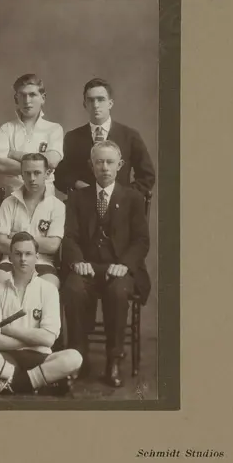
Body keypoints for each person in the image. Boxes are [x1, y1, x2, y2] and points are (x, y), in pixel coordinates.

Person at [61, 140, 151, 386]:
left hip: (118, 267)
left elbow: (141, 240)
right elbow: (69, 236)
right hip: (88, 267)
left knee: (119, 291)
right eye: (99, 162)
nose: (104, 167)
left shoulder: (133, 198)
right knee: (73, 288)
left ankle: (114, 359)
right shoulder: (78, 198)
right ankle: (77, 356)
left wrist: (125, 264)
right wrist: (78, 261)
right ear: (91, 166)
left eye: (110, 162)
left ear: (120, 165)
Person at [0, 232, 80, 395]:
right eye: (18, 254)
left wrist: (9, 329)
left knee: (74, 358)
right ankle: (36, 383)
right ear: (10, 257)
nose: (23, 259)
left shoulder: (49, 290)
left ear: (37, 257)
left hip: (40, 358)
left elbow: (48, 339)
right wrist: (32, 341)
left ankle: (11, 383)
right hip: (5, 358)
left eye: (28, 254)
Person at [54, 78, 156, 196]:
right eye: (91, 100)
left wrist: (124, 195)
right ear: (85, 104)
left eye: (101, 99)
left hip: (120, 208)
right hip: (83, 206)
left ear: (110, 103)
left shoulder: (129, 136)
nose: (96, 105)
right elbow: (61, 175)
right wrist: (78, 185)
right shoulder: (73, 138)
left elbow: (147, 176)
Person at [0, 153, 65, 290]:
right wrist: (38, 242)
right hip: (10, 261)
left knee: (50, 286)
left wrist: (16, 238)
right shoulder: (9, 203)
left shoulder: (57, 206)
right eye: (27, 173)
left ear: (47, 173)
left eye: (37, 173)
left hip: (42, 262)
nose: (32, 179)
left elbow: (52, 245)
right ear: (21, 175)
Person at [0, 74, 64, 197]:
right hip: (13, 196)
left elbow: (52, 161)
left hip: (45, 197)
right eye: (22, 95)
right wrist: (39, 167)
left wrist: (15, 154)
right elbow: (0, 165)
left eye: (32, 95)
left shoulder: (54, 129)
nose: (27, 101)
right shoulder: (7, 128)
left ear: (43, 98)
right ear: (16, 99)